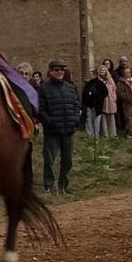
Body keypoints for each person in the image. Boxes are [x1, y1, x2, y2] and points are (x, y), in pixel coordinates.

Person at [37, 60, 79, 195]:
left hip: (68, 131)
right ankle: (49, 186)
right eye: (56, 70)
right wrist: (50, 122)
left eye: (62, 70)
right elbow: (41, 110)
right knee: (49, 160)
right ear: (50, 72)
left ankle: (63, 185)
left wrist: (75, 120)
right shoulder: (44, 89)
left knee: (67, 161)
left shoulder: (70, 87)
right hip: (52, 132)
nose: (60, 72)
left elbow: (76, 105)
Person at [82, 67, 108, 139]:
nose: (90, 76)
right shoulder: (88, 84)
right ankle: (90, 136)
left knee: (96, 123)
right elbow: (84, 94)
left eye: (91, 74)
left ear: (95, 75)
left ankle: (96, 137)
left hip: (97, 107)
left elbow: (105, 93)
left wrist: (98, 99)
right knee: (88, 122)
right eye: (89, 75)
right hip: (88, 106)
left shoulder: (100, 84)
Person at [99, 66, 118, 138]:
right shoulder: (98, 79)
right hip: (102, 100)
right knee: (103, 116)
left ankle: (112, 133)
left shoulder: (110, 79)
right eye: (101, 70)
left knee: (111, 116)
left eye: (104, 70)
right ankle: (105, 133)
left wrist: (114, 98)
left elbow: (114, 89)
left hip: (110, 100)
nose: (102, 71)